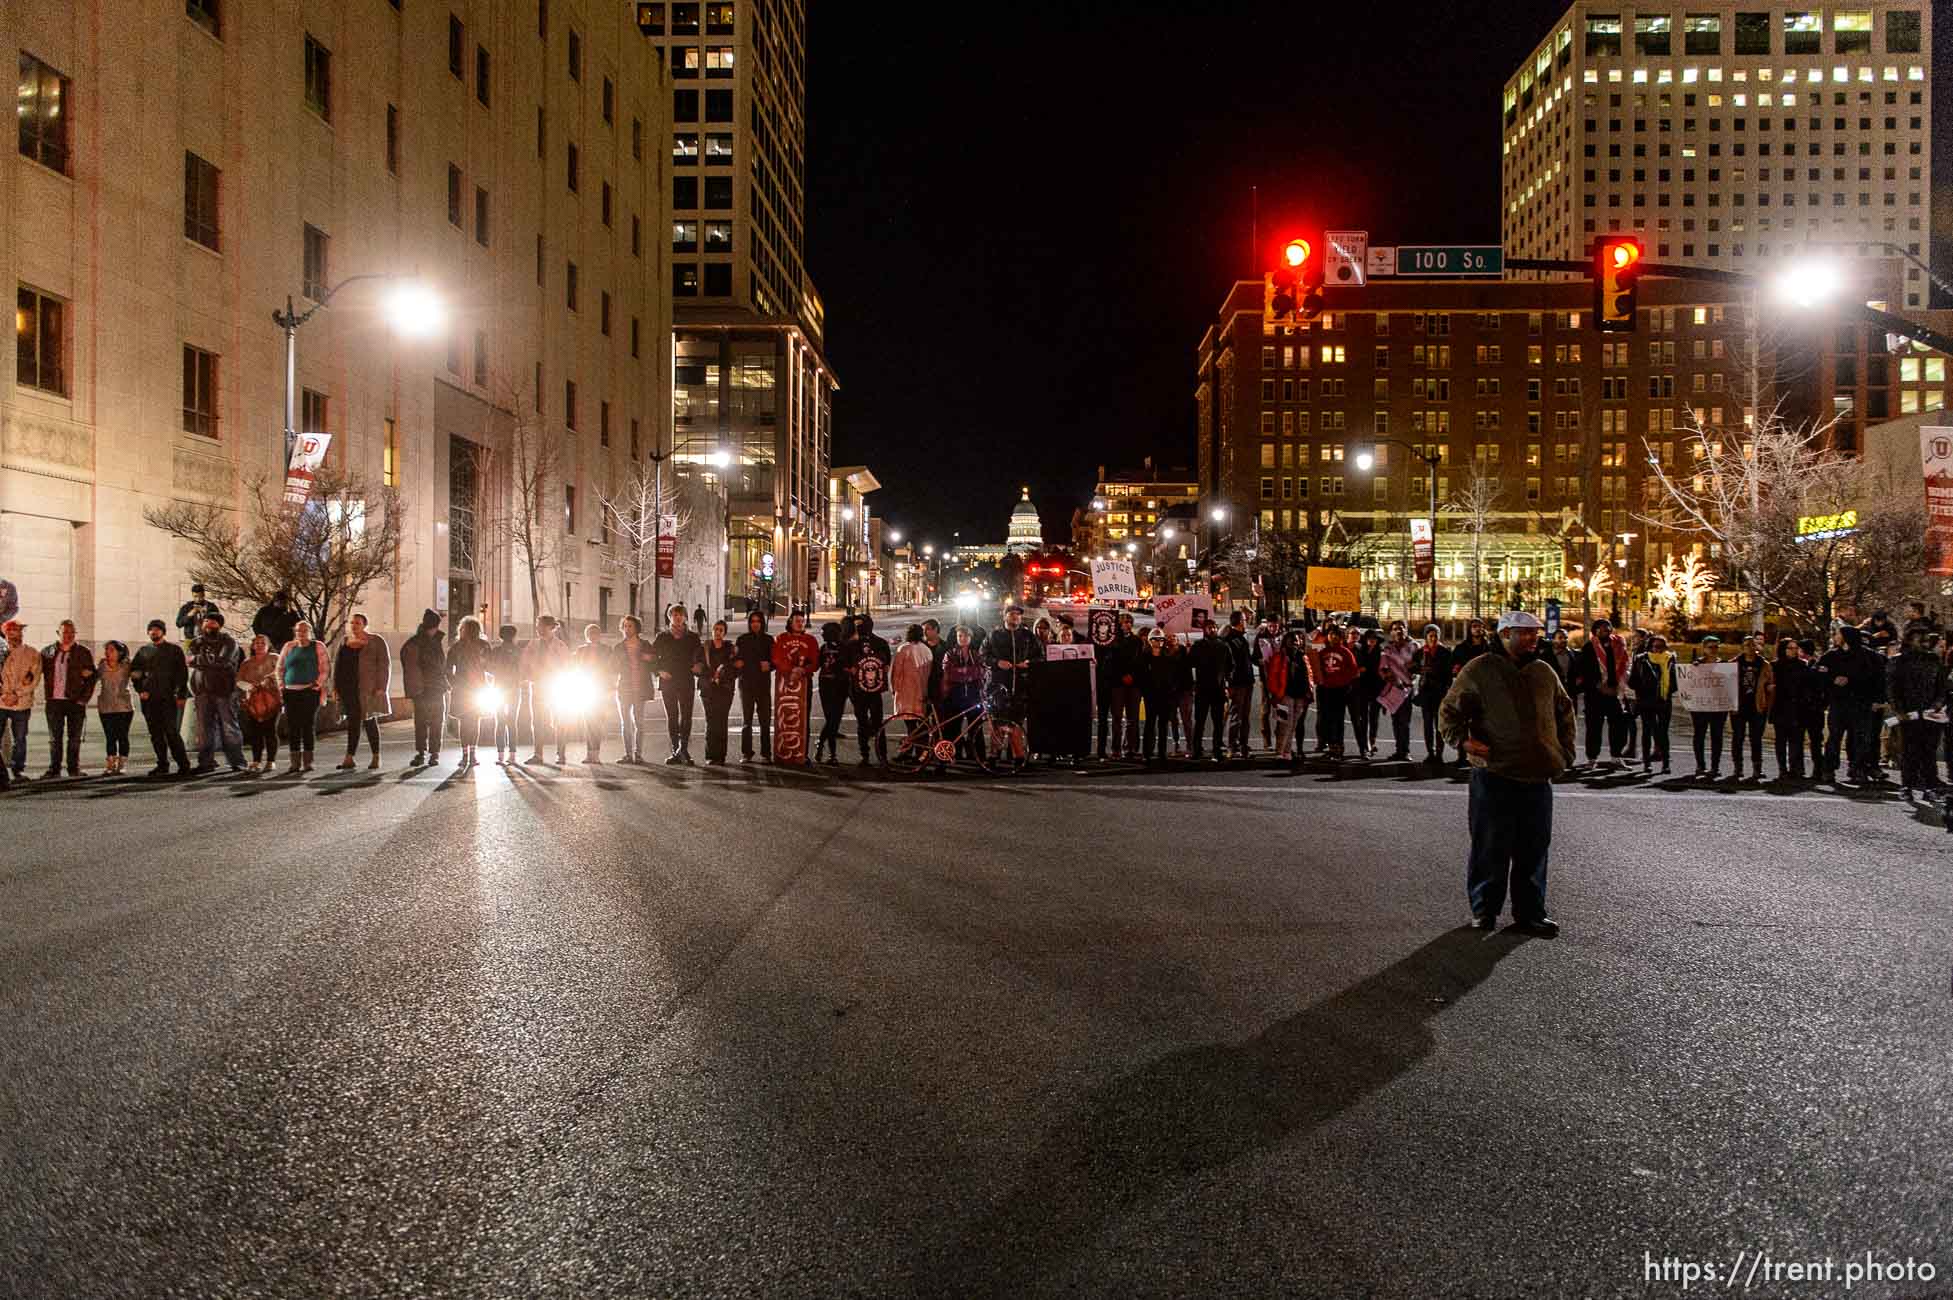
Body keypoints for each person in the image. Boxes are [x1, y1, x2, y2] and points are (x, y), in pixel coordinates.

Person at [1438, 610, 1574, 936]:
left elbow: (1564, 711)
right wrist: (1465, 743)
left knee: (1534, 849)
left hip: (1536, 778)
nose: (1532, 638)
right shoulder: (1480, 669)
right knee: (1490, 847)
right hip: (1494, 776)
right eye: (1524, 633)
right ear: (1505, 634)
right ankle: (1484, 911)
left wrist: (1563, 754)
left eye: (1535, 633)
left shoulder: (1543, 672)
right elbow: (1449, 712)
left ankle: (1530, 913)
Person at [1819, 625, 1882, 785]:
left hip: (1861, 704)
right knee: (1834, 738)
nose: (1835, 637)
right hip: (1838, 704)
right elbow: (1818, 673)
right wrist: (1832, 680)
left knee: (1860, 739)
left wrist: (1876, 698)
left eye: (1838, 634)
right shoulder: (1831, 655)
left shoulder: (1868, 656)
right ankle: (1829, 769)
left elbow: (1877, 679)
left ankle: (1857, 768)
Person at [1888, 625, 1947, 794]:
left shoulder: (1933, 660)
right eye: (1919, 637)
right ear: (1909, 639)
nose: (1924, 641)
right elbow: (1892, 688)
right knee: (1908, 750)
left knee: (1928, 751)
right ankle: (1907, 784)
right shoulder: (1898, 660)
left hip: (1930, 713)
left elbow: (1941, 686)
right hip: (1908, 713)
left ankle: (1930, 784)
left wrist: (1938, 703)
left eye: (1926, 637)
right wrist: (1899, 710)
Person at [330, 613, 391, 772]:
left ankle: (376, 756)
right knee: (353, 723)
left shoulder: (376, 641)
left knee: (369, 721)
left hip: (368, 688)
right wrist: (335, 687)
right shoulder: (345, 642)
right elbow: (338, 666)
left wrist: (381, 687)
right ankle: (349, 758)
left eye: (357, 623)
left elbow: (384, 665)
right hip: (348, 688)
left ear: (365, 624)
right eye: (352, 623)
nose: (354, 625)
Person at [130, 619, 190, 778]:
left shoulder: (174, 650)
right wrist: (140, 690)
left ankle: (184, 764)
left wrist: (181, 694)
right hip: (149, 700)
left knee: (171, 732)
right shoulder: (143, 651)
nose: (153, 632)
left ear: (163, 632)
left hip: (169, 698)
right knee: (155, 734)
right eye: (151, 630)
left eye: (157, 630)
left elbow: (182, 674)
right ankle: (162, 764)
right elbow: (135, 672)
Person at [1567, 618, 1630, 769]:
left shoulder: (1618, 645)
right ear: (1595, 631)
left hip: (1615, 693)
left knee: (1619, 726)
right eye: (1602, 629)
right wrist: (1598, 685)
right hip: (1595, 694)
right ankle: (1592, 759)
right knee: (1594, 727)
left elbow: (1625, 666)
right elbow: (1582, 671)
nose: (1606, 631)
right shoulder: (1589, 647)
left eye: (1608, 628)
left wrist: (1618, 687)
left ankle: (1616, 757)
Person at [187, 612, 243, 774]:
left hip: (224, 691)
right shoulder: (196, 642)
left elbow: (223, 661)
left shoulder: (229, 642)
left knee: (229, 728)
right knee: (204, 729)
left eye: (212, 622)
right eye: (205, 622)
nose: (208, 625)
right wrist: (207, 660)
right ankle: (206, 762)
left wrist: (199, 660)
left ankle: (237, 761)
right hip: (202, 691)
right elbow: (189, 659)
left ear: (219, 625)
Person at [41, 619, 97, 778]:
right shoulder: (48, 652)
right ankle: (54, 769)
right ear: (58, 633)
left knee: (74, 738)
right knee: (54, 738)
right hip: (54, 701)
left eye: (72, 632)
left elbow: (92, 677)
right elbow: (37, 669)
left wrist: (84, 699)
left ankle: (74, 769)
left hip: (75, 701)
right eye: (65, 632)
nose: (68, 635)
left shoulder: (83, 652)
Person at [651, 604, 705, 764]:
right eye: (674, 615)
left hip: (686, 680)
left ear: (685, 617)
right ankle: (675, 751)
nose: (678, 617)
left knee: (686, 716)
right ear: (669, 617)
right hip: (668, 681)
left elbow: (701, 656)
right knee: (672, 717)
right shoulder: (662, 637)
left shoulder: (693, 637)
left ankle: (684, 750)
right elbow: (652, 658)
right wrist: (659, 671)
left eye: (680, 615)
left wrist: (699, 666)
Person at [518, 615, 571, 765]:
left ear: (550, 627)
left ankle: (561, 754)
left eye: (540, 625)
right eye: (537, 625)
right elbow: (524, 662)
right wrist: (525, 677)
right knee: (537, 721)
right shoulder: (533, 645)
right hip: (538, 686)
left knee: (559, 720)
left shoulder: (560, 646)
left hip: (555, 687)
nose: (538, 629)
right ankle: (538, 754)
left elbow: (567, 665)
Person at [770, 610, 821, 766]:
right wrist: (790, 670)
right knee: (785, 717)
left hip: (804, 684)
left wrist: (802, 670)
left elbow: (815, 661)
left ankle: (802, 754)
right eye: (797, 620)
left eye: (802, 621)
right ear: (790, 622)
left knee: (802, 717)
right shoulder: (781, 638)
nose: (800, 623)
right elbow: (777, 658)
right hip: (784, 684)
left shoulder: (811, 640)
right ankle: (782, 753)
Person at [982, 605, 1042, 735]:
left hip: (1021, 687)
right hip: (998, 687)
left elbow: (1040, 656)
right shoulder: (994, 635)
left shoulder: (1028, 636)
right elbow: (983, 655)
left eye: (1018, 614)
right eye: (1011, 613)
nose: (1015, 616)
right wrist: (997, 662)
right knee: (998, 723)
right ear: (1004, 616)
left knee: (1016, 725)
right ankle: (995, 753)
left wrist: (1029, 663)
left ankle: (1015, 754)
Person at [844, 612, 894, 766]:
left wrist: (884, 667)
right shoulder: (851, 644)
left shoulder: (880, 643)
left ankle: (882, 755)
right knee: (862, 722)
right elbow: (843, 663)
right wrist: (850, 669)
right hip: (857, 690)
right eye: (857, 626)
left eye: (861, 625)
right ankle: (865, 754)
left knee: (877, 723)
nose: (859, 628)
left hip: (874, 690)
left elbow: (887, 662)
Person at [276, 620, 326, 773]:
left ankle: (308, 762)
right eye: (298, 631)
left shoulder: (317, 646)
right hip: (290, 692)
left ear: (309, 631)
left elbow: (325, 667)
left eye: (304, 631)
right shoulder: (289, 646)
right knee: (293, 727)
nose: (301, 634)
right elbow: (280, 667)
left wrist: (317, 684)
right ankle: (294, 762)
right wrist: (281, 686)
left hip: (309, 691)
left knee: (307, 725)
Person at [400, 608, 449, 767]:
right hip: (432, 688)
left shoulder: (413, 642)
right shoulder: (430, 642)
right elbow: (439, 666)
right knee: (435, 721)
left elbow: (408, 666)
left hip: (423, 689)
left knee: (421, 722)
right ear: (434, 625)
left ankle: (422, 753)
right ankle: (433, 754)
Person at [1628, 632, 1678, 774]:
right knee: (1647, 731)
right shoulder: (1641, 659)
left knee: (1663, 732)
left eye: (1661, 647)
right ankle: (1647, 764)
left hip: (1664, 700)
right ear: (1650, 647)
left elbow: (1677, 679)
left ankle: (1666, 763)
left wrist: (1667, 690)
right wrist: (1642, 690)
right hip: (1646, 700)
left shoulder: (1671, 659)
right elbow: (1633, 681)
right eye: (1655, 646)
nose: (1658, 649)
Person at [446, 616, 492, 767]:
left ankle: (465, 755)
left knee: (464, 722)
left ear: (462, 630)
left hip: (462, 689)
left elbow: (447, 669)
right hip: (477, 687)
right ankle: (472, 755)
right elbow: (489, 666)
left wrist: (454, 683)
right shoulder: (483, 645)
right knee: (474, 721)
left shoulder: (456, 647)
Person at [0, 619, 43, 781]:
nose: (13, 635)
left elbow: (33, 679)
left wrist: (16, 694)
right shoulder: (1, 651)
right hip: (1, 702)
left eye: (17, 631)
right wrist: (3, 694)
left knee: (20, 738)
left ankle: (18, 770)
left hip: (21, 704)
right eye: (10, 631)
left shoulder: (32, 654)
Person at [1311, 622, 1361, 759]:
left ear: (1341, 637)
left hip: (1340, 690)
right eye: (1331, 634)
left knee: (1338, 719)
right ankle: (1330, 746)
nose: (1334, 637)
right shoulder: (1321, 650)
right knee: (1326, 719)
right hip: (1324, 689)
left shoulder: (1346, 652)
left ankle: (1339, 747)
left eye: (1337, 635)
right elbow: (1311, 653)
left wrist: (1342, 681)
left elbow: (1354, 672)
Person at [1684, 636, 1730, 780]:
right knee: (1699, 735)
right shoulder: (1696, 665)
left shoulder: (1724, 665)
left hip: (1719, 706)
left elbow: (1730, 686)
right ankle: (1700, 765)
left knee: (1717, 736)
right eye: (1711, 647)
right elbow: (1688, 683)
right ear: (1704, 648)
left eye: (1717, 647)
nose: (1714, 650)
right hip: (1700, 706)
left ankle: (1715, 766)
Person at [613, 615, 656, 765]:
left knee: (639, 722)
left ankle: (638, 754)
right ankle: (627, 754)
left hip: (640, 688)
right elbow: (613, 667)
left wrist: (648, 658)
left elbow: (655, 662)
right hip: (624, 688)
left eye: (630, 626)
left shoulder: (645, 644)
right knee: (625, 723)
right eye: (625, 626)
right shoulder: (619, 647)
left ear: (637, 628)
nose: (627, 629)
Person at [1729, 635, 1773, 781]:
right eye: (1747, 645)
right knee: (1738, 738)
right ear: (1742, 647)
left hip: (1757, 706)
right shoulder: (1733, 664)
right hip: (1739, 707)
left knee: (1756, 739)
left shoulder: (1764, 665)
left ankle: (1757, 769)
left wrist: (1768, 692)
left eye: (1754, 644)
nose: (1751, 647)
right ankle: (1737, 768)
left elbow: (1770, 684)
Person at [237, 634, 283, 773]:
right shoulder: (247, 662)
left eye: (263, 643)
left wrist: (269, 679)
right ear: (252, 646)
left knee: (270, 730)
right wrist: (250, 687)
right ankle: (256, 761)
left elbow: (282, 672)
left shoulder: (275, 658)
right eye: (256, 643)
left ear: (268, 645)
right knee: (255, 732)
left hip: (272, 700)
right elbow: (239, 680)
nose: (259, 645)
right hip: (253, 701)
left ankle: (271, 761)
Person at [1412, 624, 1456, 767]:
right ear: (1426, 637)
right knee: (1427, 724)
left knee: (1439, 725)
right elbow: (1413, 667)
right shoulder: (1420, 652)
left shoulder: (1445, 652)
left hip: (1440, 692)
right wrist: (1420, 669)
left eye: (1436, 635)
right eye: (1430, 635)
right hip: (1426, 692)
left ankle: (1439, 754)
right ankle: (1430, 753)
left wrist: (1437, 673)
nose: (1433, 638)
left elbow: (1449, 673)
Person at [734, 611, 775, 763]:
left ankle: (766, 753)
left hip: (763, 685)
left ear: (762, 623)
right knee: (747, 721)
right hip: (746, 685)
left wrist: (770, 665)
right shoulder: (742, 639)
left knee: (765, 721)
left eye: (758, 621)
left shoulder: (769, 640)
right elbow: (736, 661)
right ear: (749, 623)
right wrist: (738, 664)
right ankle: (746, 753)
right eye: (752, 621)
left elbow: (774, 661)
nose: (755, 624)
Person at [1187, 617, 1230, 762]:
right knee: (1199, 721)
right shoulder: (1198, 646)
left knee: (1218, 722)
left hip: (1218, 689)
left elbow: (1230, 666)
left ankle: (1217, 751)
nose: (1212, 630)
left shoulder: (1223, 646)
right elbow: (1190, 664)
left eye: (1214, 627)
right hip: (1202, 689)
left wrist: (1226, 683)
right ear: (1203, 629)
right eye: (1209, 627)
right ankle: (1196, 750)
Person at [1769, 636, 1811, 780]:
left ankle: (1796, 768)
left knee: (1797, 740)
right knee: (1781, 740)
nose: (1794, 651)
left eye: (1795, 648)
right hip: (1780, 707)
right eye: (1790, 648)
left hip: (1798, 708)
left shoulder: (1803, 665)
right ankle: (1782, 768)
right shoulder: (1774, 666)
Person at [1271, 628, 1314, 769]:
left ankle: (1287, 751)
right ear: (1286, 642)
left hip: (1300, 695)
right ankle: (1279, 752)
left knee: (1293, 725)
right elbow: (1273, 676)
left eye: (1297, 640)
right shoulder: (1280, 657)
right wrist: (1276, 693)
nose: (1295, 643)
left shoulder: (1303, 656)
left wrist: (1310, 690)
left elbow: (1309, 675)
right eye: (1292, 640)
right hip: (1285, 694)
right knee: (1284, 724)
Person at [1376, 620, 1417, 762]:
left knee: (1404, 721)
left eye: (1401, 628)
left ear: (1406, 630)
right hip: (1393, 688)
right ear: (1391, 632)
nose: (1398, 631)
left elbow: (1419, 666)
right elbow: (1383, 668)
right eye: (1395, 629)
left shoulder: (1414, 647)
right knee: (1396, 720)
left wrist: (1412, 674)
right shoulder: (1387, 649)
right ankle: (1399, 750)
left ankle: (1405, 751)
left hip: (1407, 688)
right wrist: (1391, 678)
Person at [94, 639, 134, 776]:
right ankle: (110, 762)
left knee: (122, 736)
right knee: (110, 736)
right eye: (106, 650)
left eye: (111, 650)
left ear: (120, 652)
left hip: (124, 706)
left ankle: (122, 763)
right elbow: (93, 679)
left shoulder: (127, 665)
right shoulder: (102, 665)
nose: (107, 653)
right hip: (106, 705)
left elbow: (138, 677)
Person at [699, 619, 737, 764]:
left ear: (725, 633)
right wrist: (710, 675)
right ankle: (710, 755)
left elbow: (736, 668)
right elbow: (698, 666)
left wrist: (723, 676)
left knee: (721, 721)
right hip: (708, 689)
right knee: (711, 721)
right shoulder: (705, 648)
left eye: (721, 630)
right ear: (712, 631)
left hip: (725, 689)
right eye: (716, 629)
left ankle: (721, 756)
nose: (718, 632)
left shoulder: (730, 648)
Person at [572, 624, 609, 763]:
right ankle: (589, 753)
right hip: (586, 687)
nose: (593, 635)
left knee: (597, 722)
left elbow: (609, 668)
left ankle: (596, 754)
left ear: (599, 635)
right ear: (586, 635)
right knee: (588, 723)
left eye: (595, 633)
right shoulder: (581, 650)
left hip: (601, 688)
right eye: (590, 633)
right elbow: (575, 667)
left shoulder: (606, 650)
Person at [1223, 611, 1257, 760]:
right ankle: (1232, 745)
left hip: (1247, 682)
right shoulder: (1230, 639)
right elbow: (1228, 664)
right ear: (1238, 621)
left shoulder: (1242, 638)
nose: (1247, 620)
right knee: (1236, 716)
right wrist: (1229, 683)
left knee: (1245, 716)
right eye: (1244, 619)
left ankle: (1243, 745)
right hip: (1237, 683)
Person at [1109, 612, 1144, 760]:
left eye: (1130, 622)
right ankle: (1116, 748)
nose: (1127, 624)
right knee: (1117, 717)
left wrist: (1132, 675)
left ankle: (1131, 747)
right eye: (1124, 622)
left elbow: (1139, 662)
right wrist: (1122, 675)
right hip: (1117, 683)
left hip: (1133, 683)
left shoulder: (1137, 641)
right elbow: (1112, 662)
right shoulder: (1113, 640)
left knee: (1133, 718)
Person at [1140, 631, 1177, 765]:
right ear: (1150, 641)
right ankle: (1147, 753)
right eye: (1155, 639)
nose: (1158, 641)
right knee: (1150, 724)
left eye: (1161, 639)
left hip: (1165, 696)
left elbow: (1172, 676)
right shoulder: (1144, 657)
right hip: (1151, 696)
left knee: (1163, 725)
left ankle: (1162, 753)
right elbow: (1141, 677)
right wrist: (1145, 692)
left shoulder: (1167, 657)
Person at [487, 625, 523, 764]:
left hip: (499, 688)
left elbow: (489, 667)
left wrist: (497, 672)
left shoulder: (496, 651)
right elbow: (523, 669)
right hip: (514, 688)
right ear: (514, 636)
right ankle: (512, 755)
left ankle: (500, 755)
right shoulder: (519, 651)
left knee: (500, 721)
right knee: (512, 722)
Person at [815, 621, 849, 764]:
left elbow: (847, 664)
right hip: (826, 686)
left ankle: (821, 744)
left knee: (835, 719)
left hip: (840, 685)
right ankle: (832, 754)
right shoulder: (823, 648)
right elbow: (818, 664)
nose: (822, 635)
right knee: (831, 719)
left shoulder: (844, 648)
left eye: (825, 632)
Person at [1349, 628, 1383, 760]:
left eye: (1374, 638)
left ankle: (1372, 741)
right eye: (1369, 637)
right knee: (1363, 717)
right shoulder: (1360, 650)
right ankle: (1365, 745)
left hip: (1376, 687)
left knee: (1374, 716)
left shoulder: (1380, 652)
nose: (1371, 640)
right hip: (1362, 687)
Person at [892, 624, 934, 731]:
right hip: (922, 692)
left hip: (906, 692)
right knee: (923, 724)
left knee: (910, 724)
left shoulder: (904, 649)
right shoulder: (926, 649)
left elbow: (897, 672)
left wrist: (894, 689)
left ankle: (912, 745)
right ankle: (922, 746)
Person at [1254, 617, 1281, 750]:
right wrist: (1259, 661)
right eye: (1271, 626)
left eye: (1275, 626)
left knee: (1281, 710)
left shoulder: (1283, 637)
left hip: (1281, 679)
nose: (1273, 629)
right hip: (1265, 678)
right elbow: (1254, 657)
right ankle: (1266, 740)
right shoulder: (1260, 637)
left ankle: (1280, 739)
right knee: (1265, 710)